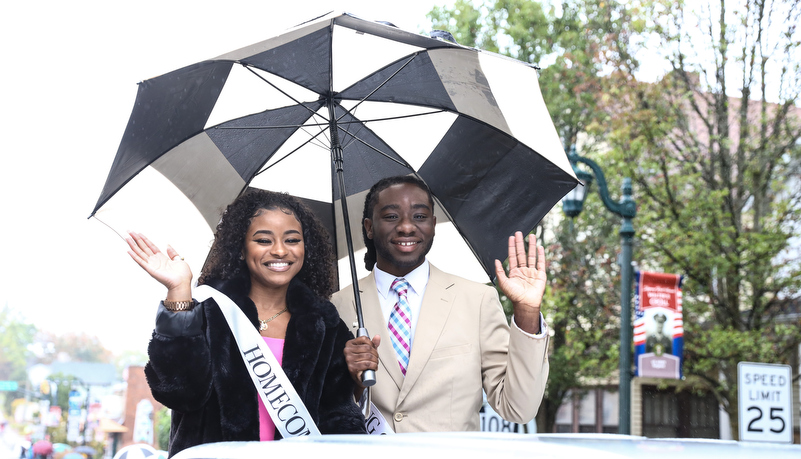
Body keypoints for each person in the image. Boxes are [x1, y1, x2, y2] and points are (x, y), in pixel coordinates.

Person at [126, 190, 365, 456]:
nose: (279, 250)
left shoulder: (325, 324)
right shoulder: (209, 311)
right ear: (241, 248)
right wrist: (180, 291)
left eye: (292, 240)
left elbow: (339, 419)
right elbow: (180, 393)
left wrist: (357, 380)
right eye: (264, 240)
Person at [331, 175, 550, 432]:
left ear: (433, 225)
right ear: (369, 227)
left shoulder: (477, 301)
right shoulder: (337, 307)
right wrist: (353, 383)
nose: (406, 227)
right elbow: (327, 409)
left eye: (420, 216)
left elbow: (518, 408)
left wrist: (526, 312)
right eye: (391, 216)